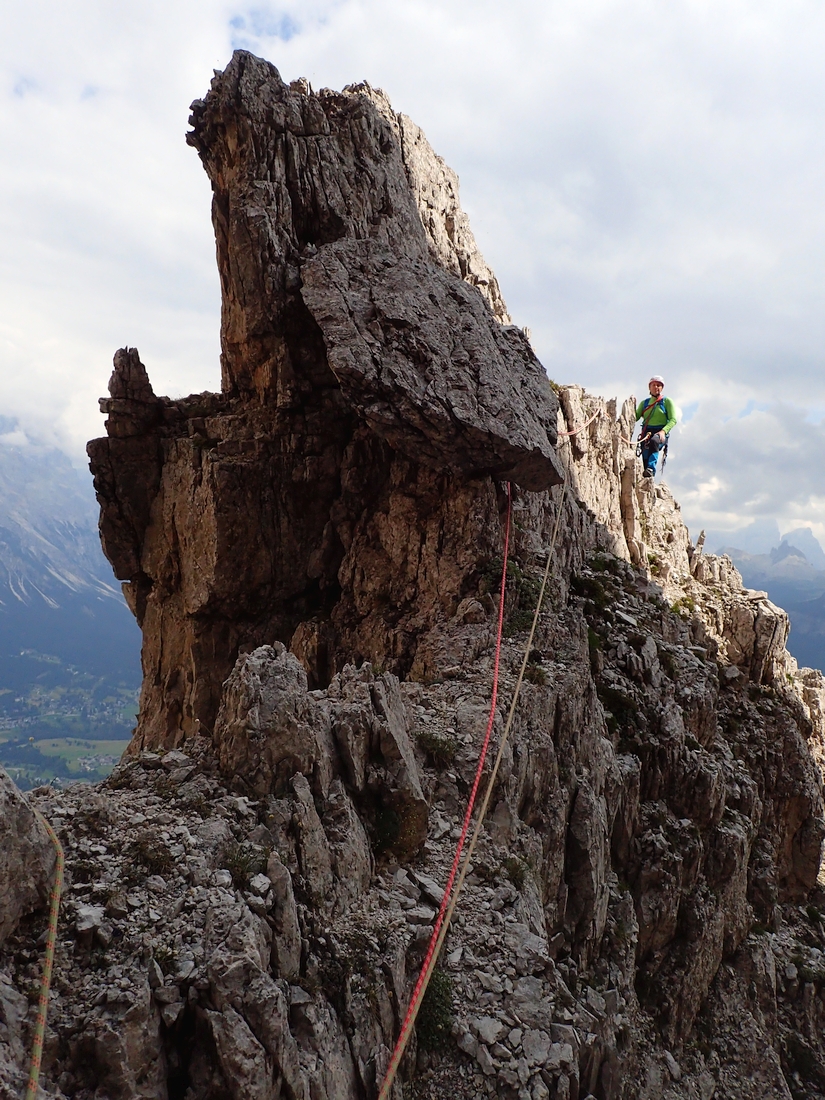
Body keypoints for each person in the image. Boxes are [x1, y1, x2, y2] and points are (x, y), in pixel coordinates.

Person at [635, 375, 677, 479]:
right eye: (654, 385)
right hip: (646, 432)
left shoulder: (666, 401)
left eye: (658, 385)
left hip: (660, 432)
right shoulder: (644, 403)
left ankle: (651, 469)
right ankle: (647, 476)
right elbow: (634, 417)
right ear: (649, 387)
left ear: (662, 388)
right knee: (645, 454)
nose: (656, 387)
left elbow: (673, 419)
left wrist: (664, 431)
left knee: (654, 441)